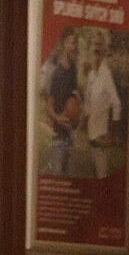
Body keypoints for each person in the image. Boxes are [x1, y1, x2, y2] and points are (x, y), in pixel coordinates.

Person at [41, 28, 81, 176]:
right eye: (71, 42)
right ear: (64, 44)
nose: (74, 46)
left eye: (75, 43)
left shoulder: (74, 70)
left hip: (71, 135)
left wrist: (77, 113)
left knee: (71, 180)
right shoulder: (56, 73)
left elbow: (73, 99)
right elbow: (48, 106)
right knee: (57, 179)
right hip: (58, 136)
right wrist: (58, 118)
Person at [83, 31, 122, 180]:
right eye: (94, 44)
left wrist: (111, 133)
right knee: (92, 177)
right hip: (90, 136)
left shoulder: (106, 75)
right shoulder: (91, 75)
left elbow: (117, 104)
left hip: (101, 137)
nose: (96, 48)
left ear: (104, 50)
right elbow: (88, 103)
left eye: (99, 45)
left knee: (101, 177)